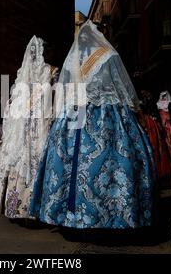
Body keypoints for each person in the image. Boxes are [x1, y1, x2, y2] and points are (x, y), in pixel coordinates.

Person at [30, 21, 156, 229]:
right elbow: (122, 86)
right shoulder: (109, 54)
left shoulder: (73, 59)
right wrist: (135, 110)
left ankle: (70, 215)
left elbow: (65, 90)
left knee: (68, 160)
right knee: (115, 157)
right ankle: (115, 213)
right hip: (108, 113)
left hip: (73, 113)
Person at [0, 36, 53, 219]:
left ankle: (16, 206)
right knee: (36, 156)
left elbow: (13, 104)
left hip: (25, 126)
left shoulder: (22, 75)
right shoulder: (50, 71)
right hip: (39, 123)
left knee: (21, 159)